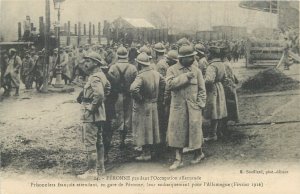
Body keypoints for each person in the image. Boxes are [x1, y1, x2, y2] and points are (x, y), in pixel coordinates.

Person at [166, 45, 206, 170]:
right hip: (178, 107)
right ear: (183, 58)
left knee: (195, 131)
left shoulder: (197, 70)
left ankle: (199, 154)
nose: (194, 58)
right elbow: (169, 85)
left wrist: (200, 104)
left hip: (193, 107)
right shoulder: (172, 70)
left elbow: (202, 90)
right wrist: (185, 77)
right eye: (191, 56)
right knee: (177, 132)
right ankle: (178, 159)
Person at [77, 52, 111, 178]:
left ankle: (92, 171)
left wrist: (91, 107)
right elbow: (108, 88)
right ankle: (100, 168)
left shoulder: (95, 77)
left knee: (90, 142)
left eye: (89, 61)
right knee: (99, 141)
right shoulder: (101, 75)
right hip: (99, 113)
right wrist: (100, 104)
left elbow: (100, 94)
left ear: (96, 63)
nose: (86, 63)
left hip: (91, 114)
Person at [130, 52, 165, 161]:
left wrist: (139, 98)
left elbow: (133, 89)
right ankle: (152, 151)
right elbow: (164, 83)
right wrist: (159, 96)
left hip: (143, 105)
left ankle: (146, 153)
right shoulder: (156, 73)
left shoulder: (140, 76)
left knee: (143, 128)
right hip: (153, 104)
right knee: (152, 128)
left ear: (139, 64)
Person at [107, 46, 137, 147]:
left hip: (116, 96)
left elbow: (109, 82)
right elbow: (135, 82)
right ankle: (122, 141)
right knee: (127, 117)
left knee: (116, 117)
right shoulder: (132, 67)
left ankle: (110, 140)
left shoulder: (113, 67)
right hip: (129, 95)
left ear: (117, 55)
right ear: (127, 55)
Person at [203, 46, 228, 141]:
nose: (206, 55)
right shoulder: (221, 64)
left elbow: (209, 80)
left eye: (208, 53)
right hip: (219, 87)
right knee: (219, 109)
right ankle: (218, 131)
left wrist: (202, 81)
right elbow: (225, 77)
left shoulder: (211, 66)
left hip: (212, 89)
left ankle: (212, 134)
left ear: (211, 54)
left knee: (213, 110)